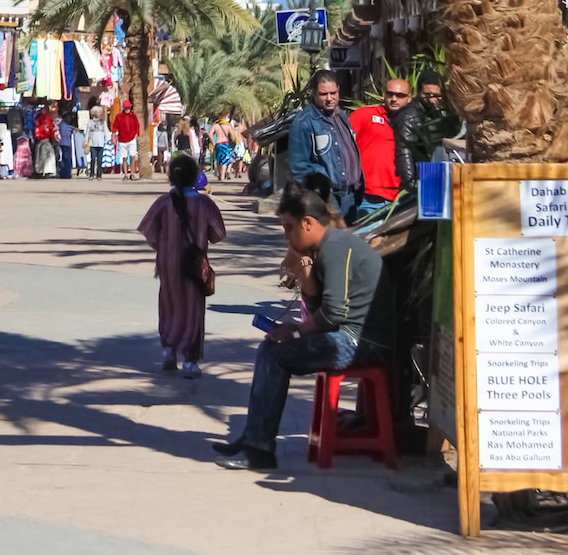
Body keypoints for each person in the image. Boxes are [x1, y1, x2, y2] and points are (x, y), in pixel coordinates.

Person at [215, 182, 391, 471]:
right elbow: (318, 306)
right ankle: (252, 437)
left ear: (307, 223)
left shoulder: (337, 247)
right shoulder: (323, 247)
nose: (286, 236)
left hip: (362, 342)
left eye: (289, 228)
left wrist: (295, 331)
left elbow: (334, 313)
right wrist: (306, 269)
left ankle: (259, 449)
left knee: (276, 353)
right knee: (271, 346)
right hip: (347, 335)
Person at [139, 154, 225, 378]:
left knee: (169, 305)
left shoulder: (163, 203)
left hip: (167, 263)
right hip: (194, 265)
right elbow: (218, 234)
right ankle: (190, 361)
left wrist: (165, 246)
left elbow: (149, 232)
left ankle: (169, 350)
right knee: (193, 310)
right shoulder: (204, 204)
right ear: (195, 176)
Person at [287, 72, 363, 220]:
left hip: (350, 196)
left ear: (338, 90)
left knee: (347, 242)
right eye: (323, 94)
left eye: (333, 93)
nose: (329, 98)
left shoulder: (341, 116)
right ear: (314, 94)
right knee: (331, 241)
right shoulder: (303, 122)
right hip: (327, 199)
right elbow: (299, 167)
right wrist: (322, 197)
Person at [350, 79, 404, 214]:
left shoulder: (414, 124)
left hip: (401, 201)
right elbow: (341, 144)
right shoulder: (365, 115)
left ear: (409, 98)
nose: (394, 99)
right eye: (390, 94)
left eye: (400, 95)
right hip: (368, 199)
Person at [112, 101, 141, 180]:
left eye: (129, 107)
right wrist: (113, 137)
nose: (128, 109)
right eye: (126, 108)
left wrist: (136, 134)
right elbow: (114, 127)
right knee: (124, 158)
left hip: (131, 139)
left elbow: (137, 126)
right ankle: (125, 175)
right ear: (124, 108)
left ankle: (132, 174)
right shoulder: (119, 116)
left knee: (132, 157)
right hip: (122, 140)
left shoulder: (133, 116)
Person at [85, 105, 110, 180]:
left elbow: (106, 131)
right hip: (93, 143)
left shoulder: (103, 122)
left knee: (99, 160)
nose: (100, 113)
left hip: (101, 143)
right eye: (98, 112)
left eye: (100, 112)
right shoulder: (90, 122)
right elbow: (87, 132)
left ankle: (99, 175)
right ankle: (91, 174)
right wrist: (86, 141)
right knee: (92, 159)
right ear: (94, 113)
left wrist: (108, 139)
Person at [211, 113, 236, 181]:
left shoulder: (215, 125)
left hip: (218, 143)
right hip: (225, 143)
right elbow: (233, 136)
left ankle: (219, 174)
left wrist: (213, 142)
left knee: (219, 159)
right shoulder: (228, 126)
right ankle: (222, 176)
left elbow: (210, 134)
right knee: (224, 160)